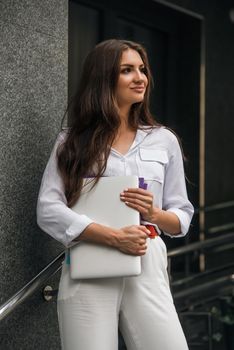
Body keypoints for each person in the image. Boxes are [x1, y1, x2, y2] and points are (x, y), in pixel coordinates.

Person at [37, 39, 194, 350]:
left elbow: (182, 215)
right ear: (104, 77)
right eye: (127, 70)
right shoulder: (71, 142)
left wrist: (155, 213)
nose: (140, 78)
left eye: (142, 69)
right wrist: (111, 237)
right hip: (89, 262)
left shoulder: (163, 140)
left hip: (145, 255)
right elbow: (48, 208)